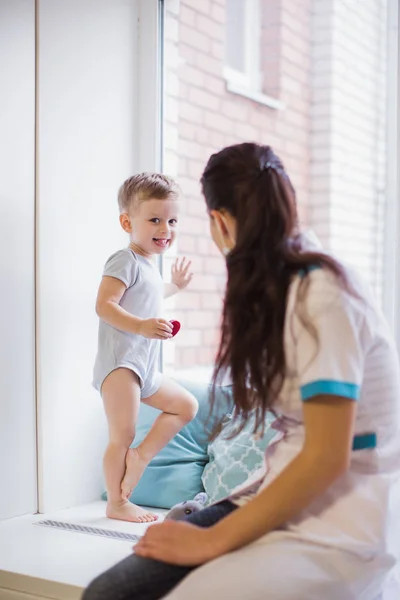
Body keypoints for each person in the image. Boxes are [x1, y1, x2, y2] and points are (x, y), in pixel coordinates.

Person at [84, 143, 400, 599]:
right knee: (113, 590)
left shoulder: (322, 295)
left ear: (220, 222)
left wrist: (210, 539)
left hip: (337, 524)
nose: (166, 231)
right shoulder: (284, 286)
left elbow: (328, 456)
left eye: (173, 221)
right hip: (278, 495)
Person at [93, 173, 198, 524]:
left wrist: (176, 286)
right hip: (122, 365)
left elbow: (150, 294)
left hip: (144, 367)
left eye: (171, 221)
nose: (165, 228)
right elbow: (105, 305)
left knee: (185, 406)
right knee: (121, 433)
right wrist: (140, 326)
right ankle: (117, 503)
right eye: (154, 219)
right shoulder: (123, 260)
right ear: (127, 222)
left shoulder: (149, 266)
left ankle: (141, 457)